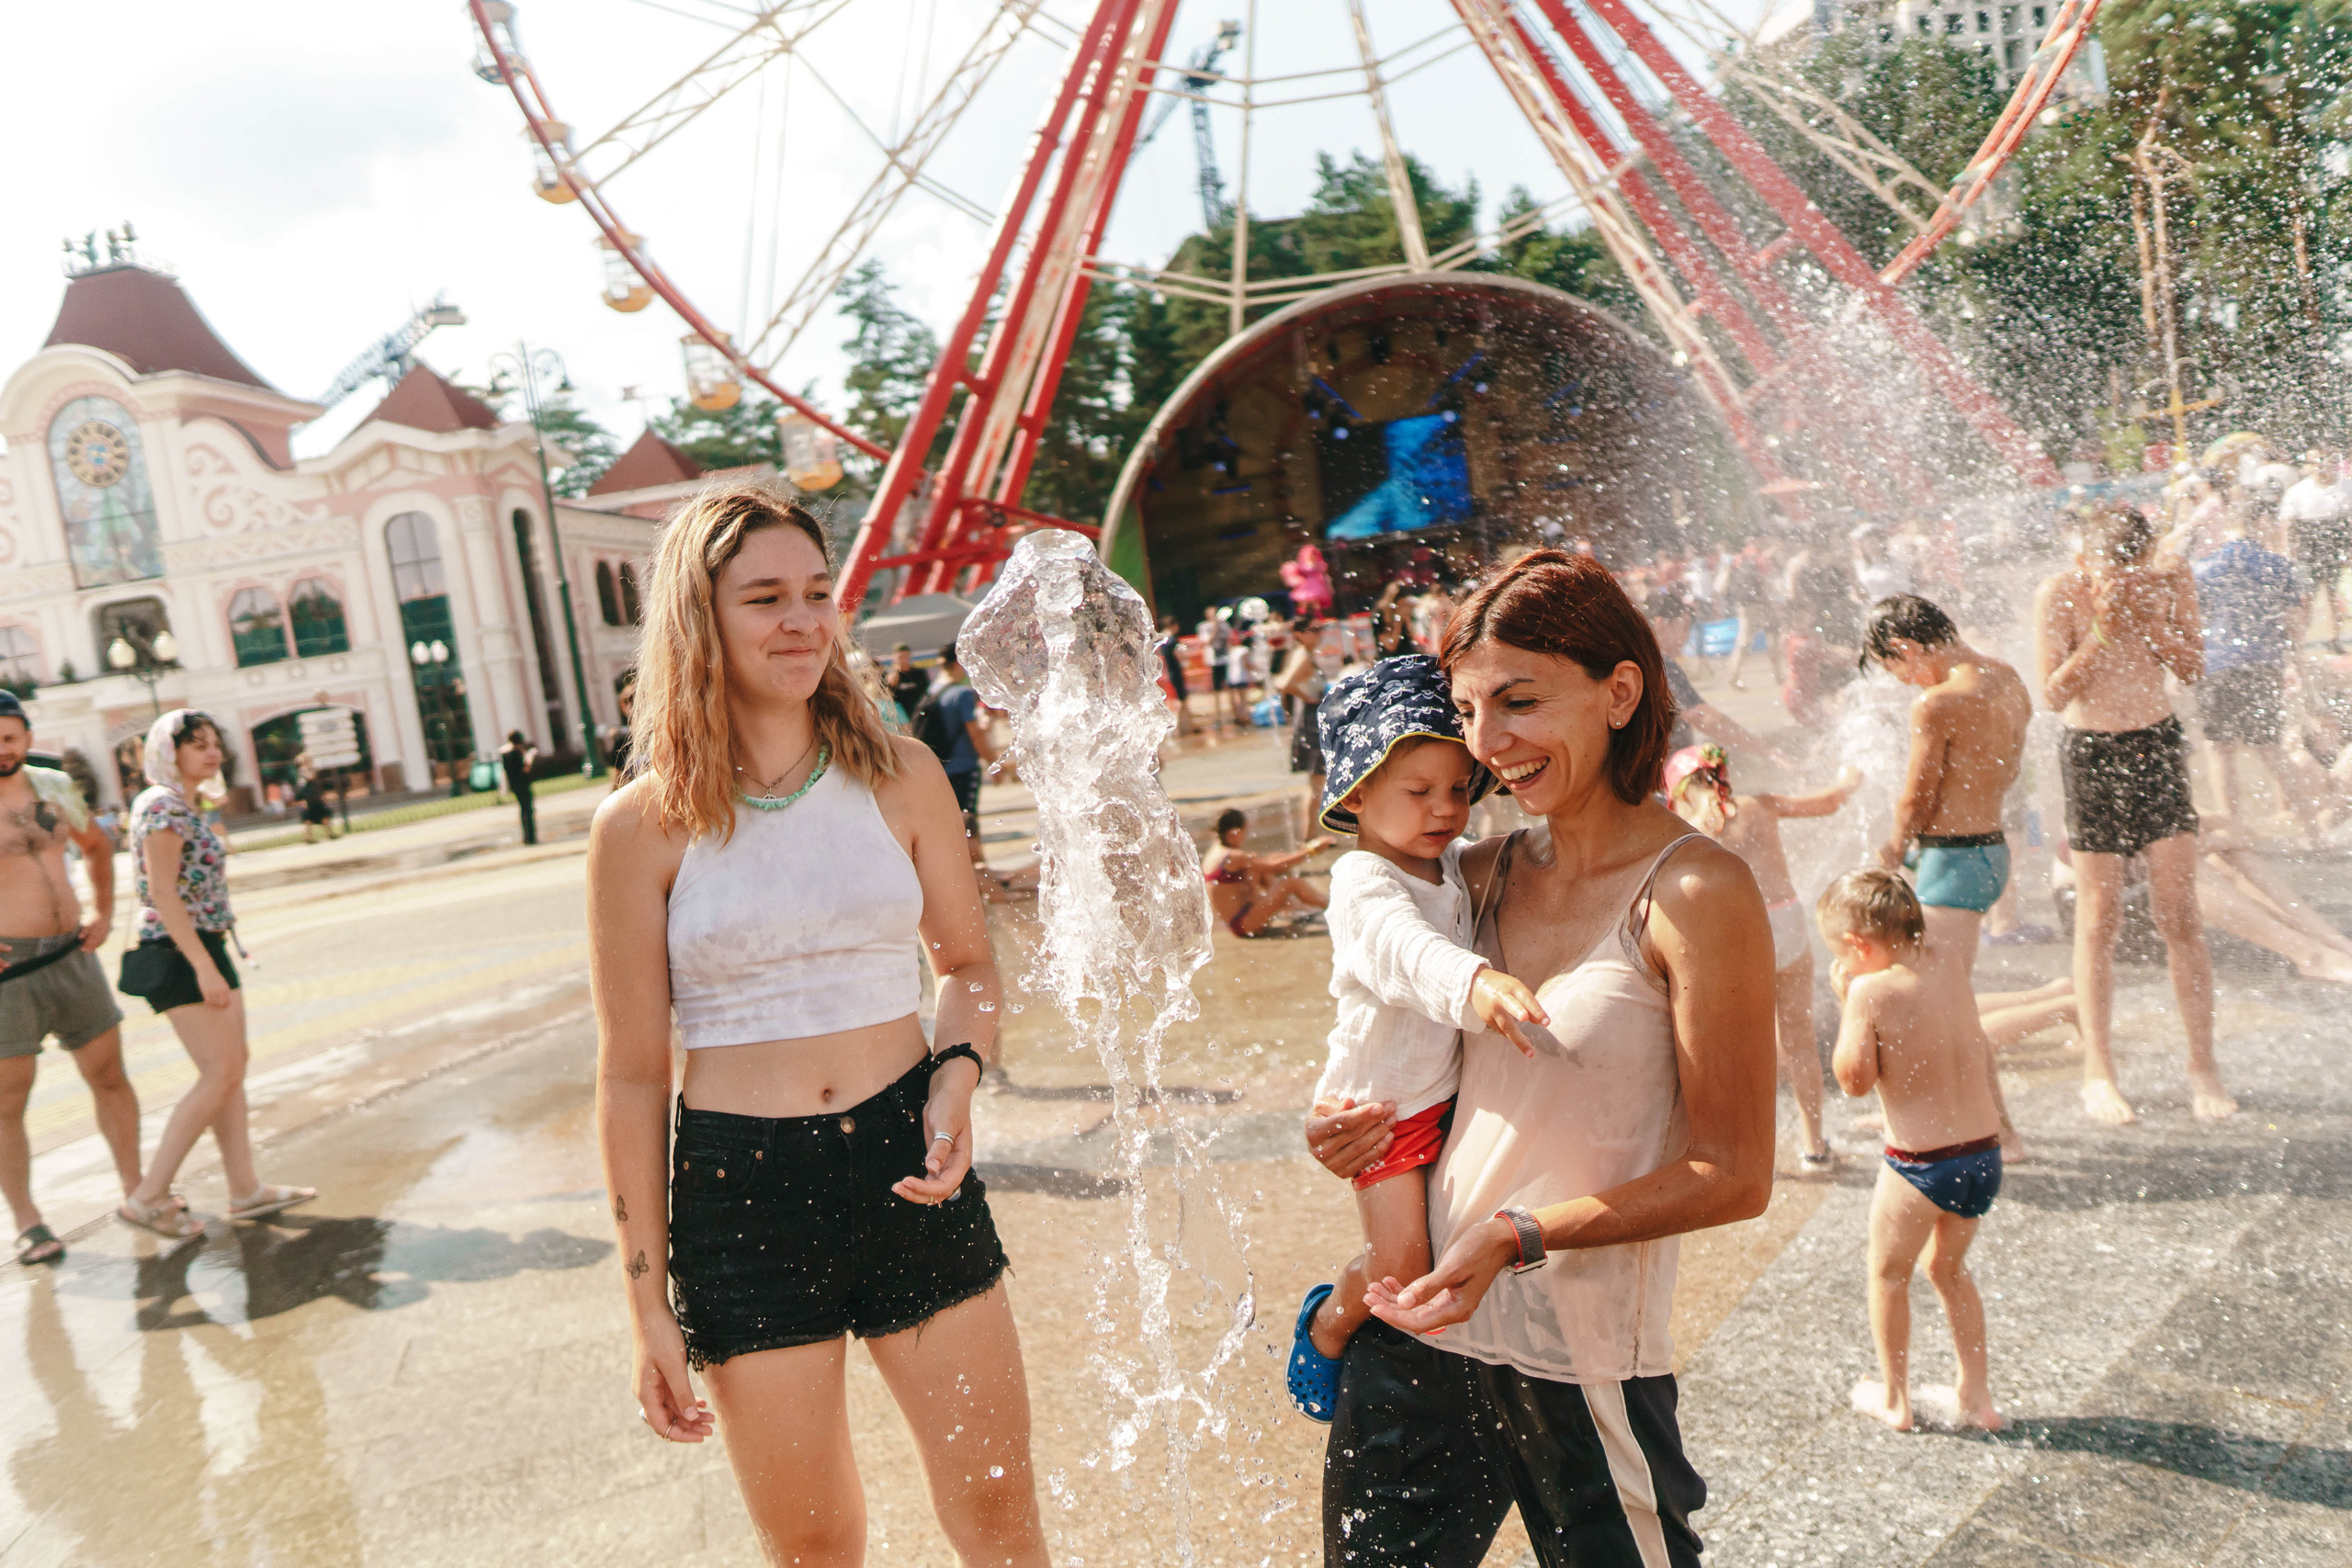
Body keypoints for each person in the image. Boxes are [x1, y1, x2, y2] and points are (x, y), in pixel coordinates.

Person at [586, 483, 1046, 1562]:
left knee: (999, 1516)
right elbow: (632, 1078)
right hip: (740, 1198)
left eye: (816, 593)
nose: (801, 620)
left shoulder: (901, 776)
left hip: (905, 1164)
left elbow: (968, 967)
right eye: (764, 598)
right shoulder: (641, 827)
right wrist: (645, 1301)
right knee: (814, 1548)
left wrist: (957, 1071)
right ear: (699, 619)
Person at [1306, 549, 1775, 1565]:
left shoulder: (1696, 894)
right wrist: (1336, 1124)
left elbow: (1734, 1177)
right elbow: (1379, 1011)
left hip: (1579, 1357)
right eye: (1469, 713)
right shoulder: (1470, 870)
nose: (1488, 747)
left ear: (1619, 691)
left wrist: (1516, 1235)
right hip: (1418, 1328)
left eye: (1517, 703)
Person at [1284, 657, 1543, 1416]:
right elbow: (1407, 952)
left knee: (1441, 1241)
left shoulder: (1447, 865)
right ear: (1359, 796)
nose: (1447, 809)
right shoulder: (1365, 880)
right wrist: (1477, 983)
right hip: (1381, 1110)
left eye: (1460, 789)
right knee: (1401, 1260)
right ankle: (1330, 1322)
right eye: (1420, 791)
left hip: (1446, 1094)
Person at [2033, 502, 2232, 1124]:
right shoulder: (2059, 594)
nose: (2116, 583)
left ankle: (2203, 1065)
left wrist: (2151, 625)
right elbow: (2055, 691)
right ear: (2080, 561)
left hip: (2155, 742)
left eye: (2130, 570)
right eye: (2104, 573)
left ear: (2147, 560)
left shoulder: (2170, 580)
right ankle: (2099, 1068)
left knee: (2179, 911)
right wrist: (2101, 631)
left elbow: (2193, 667)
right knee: (2099, 917)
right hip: (2092, 750)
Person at [1818, 867, 2014, 1434]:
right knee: (1949, 1270)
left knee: (1887, 1273)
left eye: (1845, 955)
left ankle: (1895, 1398)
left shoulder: (1870, 989)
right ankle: (1978, 1398)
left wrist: (1845, 998)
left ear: (1860, 945)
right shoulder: (1947, 960)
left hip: (1921, 1164)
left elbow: (1854, 1079)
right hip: (1983, 1155)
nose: (1846, 966)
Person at [115, 709, 313, 1235]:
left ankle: (244, 1189)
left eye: (214, 744)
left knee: (230, 1069)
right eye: (198, 745)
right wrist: (203, 965)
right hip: (181, 952)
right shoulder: (162, 807)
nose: (212, 753)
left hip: (204, 946)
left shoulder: (181, 804)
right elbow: (160, 893)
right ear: (169, 751)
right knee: (220, 1071)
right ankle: (148, 1197)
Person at [1664, 743, 1860, 1168]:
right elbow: (1830, 801)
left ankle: (1728, 1151)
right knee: (1799, 1039)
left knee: (1730, 1045)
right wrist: (1851, 775)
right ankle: (1814, 1146)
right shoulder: (1760, 805)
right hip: (1787, 921)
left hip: (1738, 930)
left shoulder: (1681, 827)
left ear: (1678, 792)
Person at [0, 693, 141, 1267]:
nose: (0, 748)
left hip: (71, 957)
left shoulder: (53, 786)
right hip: (11, 974)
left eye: (8, 736)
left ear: (27, 737)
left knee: (110, 1075)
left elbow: (98, 846)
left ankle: (139, 1192)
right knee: (8, 1101)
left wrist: (104, 913)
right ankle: (29, 1222)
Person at [1862, 593, 2035, 975]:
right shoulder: (2008, 678)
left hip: (1951, 862)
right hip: (1991, 852)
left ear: (1904, 648)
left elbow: (1916, 801)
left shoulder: (1936, 704)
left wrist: (1895, 849)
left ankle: (2058, 1003)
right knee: (1947, 988)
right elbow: (2010, 772)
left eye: (1897, 671)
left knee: (1933, 995)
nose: (1907, 683)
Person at [2192, 502, 2329, 837]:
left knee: (2221, 751)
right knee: (2272, 748)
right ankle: (2314, 832)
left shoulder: (2204, 568)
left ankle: (2234, 830)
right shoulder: (2277, 565)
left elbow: (2191, 623)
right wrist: (2296, 665)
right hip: (2263, 663)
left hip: (2217, 664)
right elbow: (2294, 623)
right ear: (2262, 522)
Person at [924, 642, 1006, 890]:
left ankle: (963, 876)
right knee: (969, 823)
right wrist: (995, 764)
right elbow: (975, 735)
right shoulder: (960, 695)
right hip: (963, 767)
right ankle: (979, 880)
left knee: (953, 824)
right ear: (958, 663)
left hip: (941, 770)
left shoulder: (932, 692)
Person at [1201, 807, 1331, 937]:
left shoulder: (1215, 851)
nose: (1244, 837)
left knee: (1270, 860)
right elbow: (1277, 867)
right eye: (1244, 832)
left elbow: (1269, 864)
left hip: (1235, 920)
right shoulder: (1234, 856)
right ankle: (1332, 904)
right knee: (1290, 884)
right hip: (1243, 924)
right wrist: (1311, 852)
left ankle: (1292, 908)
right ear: (1234, 833)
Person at [1277, 620, 1345, 839]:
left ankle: (1311, 834)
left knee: (1316, 781)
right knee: (1316, 781)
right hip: (1310, 723)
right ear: (1300, 634)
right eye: (1314, 630)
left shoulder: (1301, 654)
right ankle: (1309, 836)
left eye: (1320, 630)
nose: (1319, 634)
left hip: (1308, 721)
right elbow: (1284, 683)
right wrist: (1305, 696)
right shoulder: (1303, 656)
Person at [2281, 448, 2350, 649]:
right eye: (2315, 463)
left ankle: (2334, 639)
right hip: (2307, 546)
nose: (2320, 467)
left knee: (2335, 596)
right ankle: (2299, 641)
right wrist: (2287, 550)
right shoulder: (2298, 491)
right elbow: (2287, 523)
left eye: (2325, 462)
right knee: (2304, 598)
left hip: (2335, 544)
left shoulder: (2346, 487)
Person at [1157, 615, 1195, 736]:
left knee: (1180, 699)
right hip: (1175, 671)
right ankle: (1179, 728)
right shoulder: (1172, 640)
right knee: (1180, 700)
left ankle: (1186, 726)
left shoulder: (1163, 638)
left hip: (1170, 671)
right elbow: (1180, 655)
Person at [499, 731, 538, 847]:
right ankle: (531, 837)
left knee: (523, 810)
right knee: (528, 810)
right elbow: (525, 769)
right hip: (523, 784)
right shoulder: (516, 753)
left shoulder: (505, 754)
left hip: (514, 785)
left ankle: (526, 837)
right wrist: (529, 759)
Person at [888, 642, 932, 721]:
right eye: (900, 657)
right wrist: (895, 671)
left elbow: (926, 692)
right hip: (900, 716)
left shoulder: (918, 673)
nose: (903, 660)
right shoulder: (889, 675)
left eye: (906, 657)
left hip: (917, 713)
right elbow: (889, 690)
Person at [296, 759, 334, 843]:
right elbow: (309, 778)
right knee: (309, 819)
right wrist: (314, 770)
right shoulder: (303, 770)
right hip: (308, 798)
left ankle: (330, 833)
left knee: (324, 815)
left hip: (315, 797)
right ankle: (308, 837)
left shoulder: (309, 770)